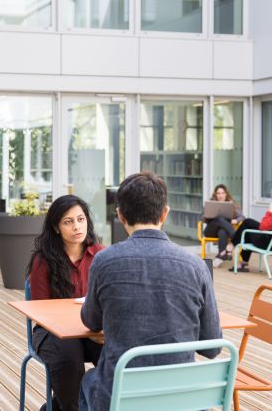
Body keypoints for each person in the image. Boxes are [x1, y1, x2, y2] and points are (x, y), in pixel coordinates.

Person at [79, 172, 221, 411]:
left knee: (87, 381)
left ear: (120, 215)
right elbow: (212, 347)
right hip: (183, 399)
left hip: (122, 397)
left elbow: (90, 320)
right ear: (164, 213)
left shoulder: (104, 261)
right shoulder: (196, 266)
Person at [26, 195, 104, 411]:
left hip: (93, 329)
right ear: (57, 227)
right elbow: (41, 312)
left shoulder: (102, 255)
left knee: (117, 353)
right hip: (51, 332)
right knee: (69, 357)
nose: (77, 226)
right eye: (68, 222)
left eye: (80, 219)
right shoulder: (43, 260)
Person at [203, 184, 245, 267]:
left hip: (223, 231)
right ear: (215, 195)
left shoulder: (232, 205)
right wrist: (207, 216)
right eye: (218, 193)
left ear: (226, 194)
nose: (220, 195)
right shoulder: (211, 203)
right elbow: (202, 218)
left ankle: (221, 255)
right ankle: (236, 238)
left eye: (222, 193)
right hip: (210, 230)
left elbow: (242, 217)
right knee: (219, 218)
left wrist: (235, 220)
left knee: (222, 231)